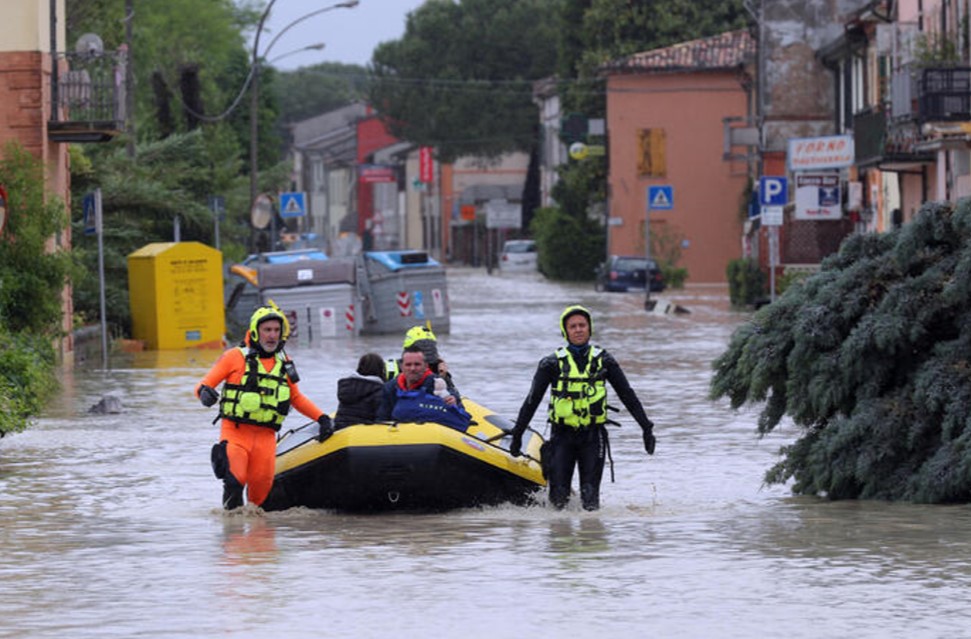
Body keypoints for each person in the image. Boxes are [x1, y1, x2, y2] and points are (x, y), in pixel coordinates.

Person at [509, 304, 656, 511]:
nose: (578, 329)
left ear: (589, 328)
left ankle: (591, 539)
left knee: (590, 501)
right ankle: (560, 540)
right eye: (573, 326)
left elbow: (627, 395)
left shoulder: (604, 360)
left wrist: (646, 427)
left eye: (582, 325)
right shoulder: (550, 364)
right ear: (565, 331)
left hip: (592, 438)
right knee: (558, 500)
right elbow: (531, 401)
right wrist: (517, 434)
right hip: (561, 437)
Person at [195, 305, 333, 510]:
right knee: (235, 480)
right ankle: (232, 535)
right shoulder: (234, 357)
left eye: (276, 330)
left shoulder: (284, 362)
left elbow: (296, 397)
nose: (272, 336)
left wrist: (321, 418)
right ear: (255, 331)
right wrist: (205, 394)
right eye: (267, 330)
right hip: (235, 433)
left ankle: (257, 540)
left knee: (259, 497)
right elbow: (203, 386)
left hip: (266, 438)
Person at [377, 345, 470, 430]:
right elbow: (382, 419)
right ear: (402, 366)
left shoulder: (438, 384)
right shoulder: (390, 388)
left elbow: (460, 415)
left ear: (425, 366)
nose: (412, 369)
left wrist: (454, 403)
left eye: (417, 364)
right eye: (408, 365)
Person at [386, 324, 459, 397]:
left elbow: (453, 397)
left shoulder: (438, 369)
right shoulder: (390, 369)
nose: (413, 368)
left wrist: (443, 377)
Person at [334, 352, 386, 429]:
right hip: (363, 433)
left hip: (340, 429)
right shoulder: (379, 390)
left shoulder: (347, 387)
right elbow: (382, 417)